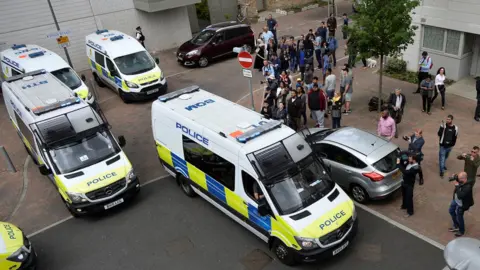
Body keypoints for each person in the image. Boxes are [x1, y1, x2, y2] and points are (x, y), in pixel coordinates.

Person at [448, 172, 474, 237]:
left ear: (464, 179)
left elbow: (460, 196)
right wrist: (454, 176)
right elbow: (456, 178)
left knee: (459, 217)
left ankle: (461, 230)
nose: (458, 180)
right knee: (451, 211)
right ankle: (456, 226)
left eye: (459, 179)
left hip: (462, 205)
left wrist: (457, 187)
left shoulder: (468, 187)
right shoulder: (461, 180)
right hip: (455, 200)